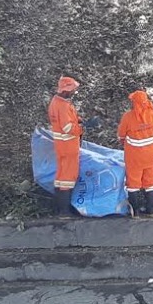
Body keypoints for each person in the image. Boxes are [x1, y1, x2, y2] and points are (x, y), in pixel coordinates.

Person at [47, 76, 101, 216]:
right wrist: (84, 127)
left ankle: (59, 208)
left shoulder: (56, 101)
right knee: (68, 178)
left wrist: (80, 121)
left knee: (61, 177)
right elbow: (68, 127)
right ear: (65, 90)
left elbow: (67, 121)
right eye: (72, 90)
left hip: (61, 146)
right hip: (68, 146)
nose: (74, 93)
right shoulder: (63, 105)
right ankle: (64, 211)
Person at [117, 90, 153, 215]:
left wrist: (122, 140)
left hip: (134, 155)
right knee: (151, 180)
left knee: (133, 182)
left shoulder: (128, 116)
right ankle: (150, 209)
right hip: (150, 154)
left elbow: (121, 133)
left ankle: (134, 211)